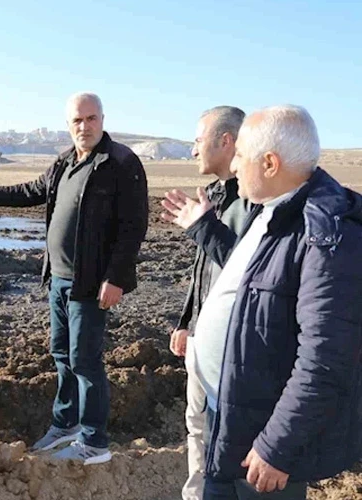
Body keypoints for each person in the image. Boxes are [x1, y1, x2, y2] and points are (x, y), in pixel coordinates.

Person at [161, 105, 362, 499]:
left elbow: (325, 360)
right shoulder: (272, 213)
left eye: (241, 155)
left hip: (264, 441)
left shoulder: (325, 235)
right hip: (231, 414)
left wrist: (277, 447)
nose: (234, 165)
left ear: (269, 163)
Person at [0, 92, 148, 464]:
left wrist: (117, 277)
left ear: (103, 119)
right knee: (62, 354)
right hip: (59, 279)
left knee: (86, 360)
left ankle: (94, 442)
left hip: (92, 283)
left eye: (91, 118)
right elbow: (33, 190)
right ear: (68, 125)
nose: (85, 126)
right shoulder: (65, 162)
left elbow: (133, 227)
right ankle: (66, 426)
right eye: (77, 120)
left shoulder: (121, 162)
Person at [163, 106, 251, 500]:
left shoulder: (252, 201)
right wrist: (186, 322)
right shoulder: (215, 195)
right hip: (202, 337)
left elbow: (250, 269)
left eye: (199, 141)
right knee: (196, 428)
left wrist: (204, 227)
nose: (194, 151)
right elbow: (204, 269)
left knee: (221, 434)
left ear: (226, 141)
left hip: (231, 348)